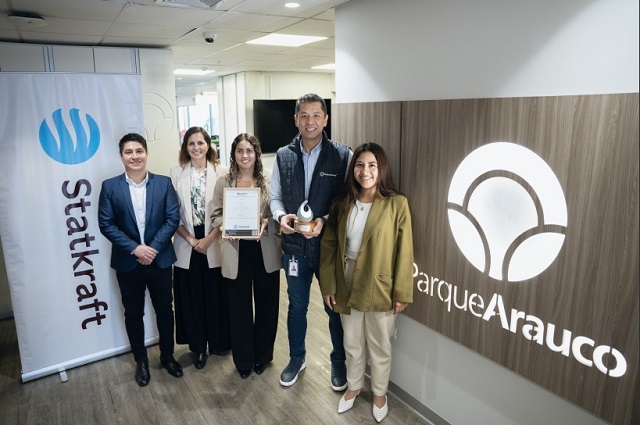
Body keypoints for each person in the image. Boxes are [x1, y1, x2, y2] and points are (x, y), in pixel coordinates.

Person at [319, 143, 414, 423]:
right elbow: (329, 246)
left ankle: (379, 393)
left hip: (379, 283)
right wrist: (328, 285)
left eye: (372, 165)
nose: (365, 171)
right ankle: (354, 386)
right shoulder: (342, 203)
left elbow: (405, 251)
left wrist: (401, 292)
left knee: (380, 344)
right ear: (353, 169)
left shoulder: (397, 204)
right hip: (346, 279)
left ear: (381, 168)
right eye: (360, 165)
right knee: (351, 341)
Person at [270, 93, 352, 389]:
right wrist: (281, 217)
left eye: (316, 115)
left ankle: (338, 362)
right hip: (294, 249)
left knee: (333, 308)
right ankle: (297, 358)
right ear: (296, 120)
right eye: (304, 115)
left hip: (328, 248)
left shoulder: (342, 155)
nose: (310, 121)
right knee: (297, 307)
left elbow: (347, 200)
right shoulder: (283, 155)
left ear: (326, 119)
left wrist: (324, 221)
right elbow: (275, 196)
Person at [98, 132, 183, 387]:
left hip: (160, 260)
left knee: (165, 310)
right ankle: (141, 361)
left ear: (146, 153)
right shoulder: (110, 187)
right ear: (121, 156)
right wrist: (136, 249)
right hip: (128, 262)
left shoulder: (164, 183)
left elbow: (172, 219)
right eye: (129, 152)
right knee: (133, 313)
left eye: (139, 151)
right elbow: (106, 224)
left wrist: (152, 249)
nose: (134, 156)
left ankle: (167, 356)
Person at [211, 133, 282, 379]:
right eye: (240, 151)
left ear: (256, 154)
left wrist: (267, 221)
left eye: (249, 151)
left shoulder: (270, 180)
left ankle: (262, 356)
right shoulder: (224, 182)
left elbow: (279, 212)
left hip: (265, 249)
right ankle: (243, 361)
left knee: (267, 305)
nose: (245, 155)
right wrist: (225, 226)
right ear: (234, 154)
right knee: (239, 307)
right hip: (235, 250)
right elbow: (215, 214)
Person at [170, 127, 231, 370]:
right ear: (186, 147)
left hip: (215, 240)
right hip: (187, 242)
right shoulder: (176, 173)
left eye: (200, 143)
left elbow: (228, 210)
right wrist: (193, 240)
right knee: (192, 297)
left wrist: (208, 239)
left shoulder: (223, 172)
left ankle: (218, 341)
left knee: (216, 295)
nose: (196, 147)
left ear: (208, 145)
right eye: (191, 143)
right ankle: (198, 347)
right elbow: (172, 213)